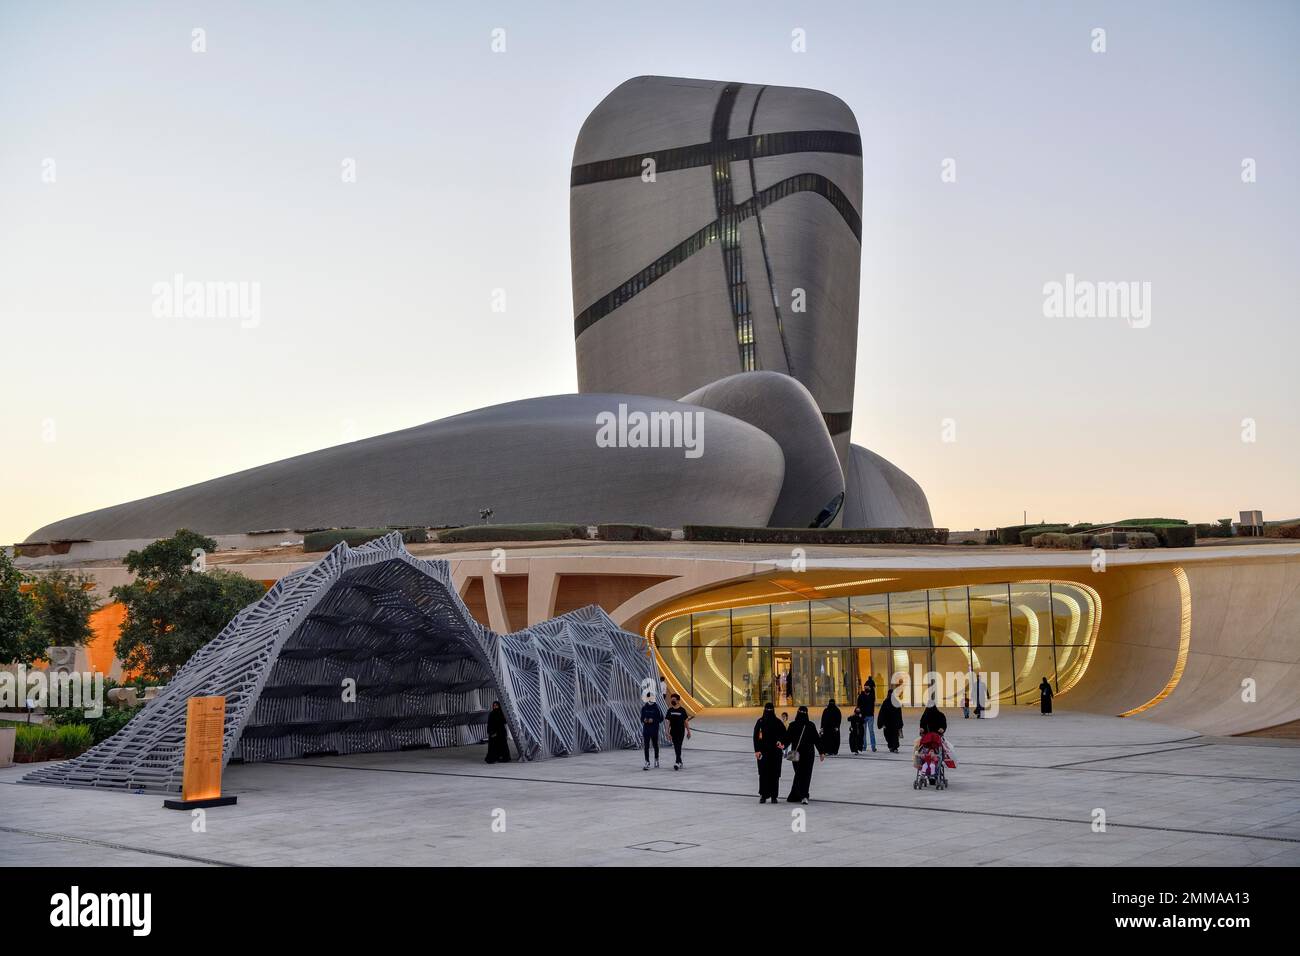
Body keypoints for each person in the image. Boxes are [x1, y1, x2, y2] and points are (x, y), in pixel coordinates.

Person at [783, 706, 826, 804]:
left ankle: (797, 795)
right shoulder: (810, 725)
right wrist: (821, 752)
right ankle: (803, 795)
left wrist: (782, 745)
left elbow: (787, 739)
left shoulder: (793, 725)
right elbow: (817, 740)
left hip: (795, 754)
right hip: (808, 754)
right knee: (806, 775)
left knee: (798, 774)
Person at [752, 702, 786, 803]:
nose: (769, 712)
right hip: (763, 753)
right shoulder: (760, 722)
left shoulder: (778, 722)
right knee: (763, 774)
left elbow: (784, 734)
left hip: (775, 753)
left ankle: (774, 796)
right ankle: (763, 795)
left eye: (770, 710)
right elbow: (755, 737)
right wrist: (757, 750)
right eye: (768, 710)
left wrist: (781, 742)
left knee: (774, 774)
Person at [664, 693, 692, 769]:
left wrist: (688, 732)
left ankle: (677, 762)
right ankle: (680, 762)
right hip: (673, 732)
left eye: (674, 700)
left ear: (678, 701)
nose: (672, 701)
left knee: (678, 746)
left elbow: (686, 722)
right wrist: (667, 732)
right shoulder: (670, 710)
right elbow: (668, 722)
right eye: (671, 700)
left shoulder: (682, 710)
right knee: (676, 746)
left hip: (681, 732)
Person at [876, 684, 904, 753]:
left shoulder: (893, 702)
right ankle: (892, 746)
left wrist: (900, 723)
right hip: (889, 724)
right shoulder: (887, 702)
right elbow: (882, 714)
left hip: (892, 724)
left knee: (892, 736)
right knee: (891, 736)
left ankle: (894, 747)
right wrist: (881, 723)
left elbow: (899, 714)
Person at [640, 695, 664, 769]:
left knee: (655, 745)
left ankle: (656, 760)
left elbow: (661, 718)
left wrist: (653, 720)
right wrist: (644, 720)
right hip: (646, 730)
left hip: (654, 729)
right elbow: (641, 718)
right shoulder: (644, 707)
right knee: (646, 746)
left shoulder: (657, 707)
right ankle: (647, 761)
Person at [856, 677, 877, 752]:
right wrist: (859, 713)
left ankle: (873, 746)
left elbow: (873, 689)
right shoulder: (861, 696)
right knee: (863, 732)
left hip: (870, 716)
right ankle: (864, 746)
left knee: (871, 731)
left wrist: (871, 683)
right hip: (863, 716)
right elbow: (858, 705)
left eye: (867, 687)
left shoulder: (872, 695)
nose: (866, 688)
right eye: (865, 687)